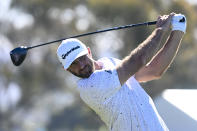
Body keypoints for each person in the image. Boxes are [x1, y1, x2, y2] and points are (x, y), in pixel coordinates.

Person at [57, 12, 186, 131]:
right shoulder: (89, 86)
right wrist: (160, 30)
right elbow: (139, 60)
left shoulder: (110, 62)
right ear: (66, 69)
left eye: (82, 58)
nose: (81, 65)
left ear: (89, 52)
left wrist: (178, 30)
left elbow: (154, 71)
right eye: (73, 64)